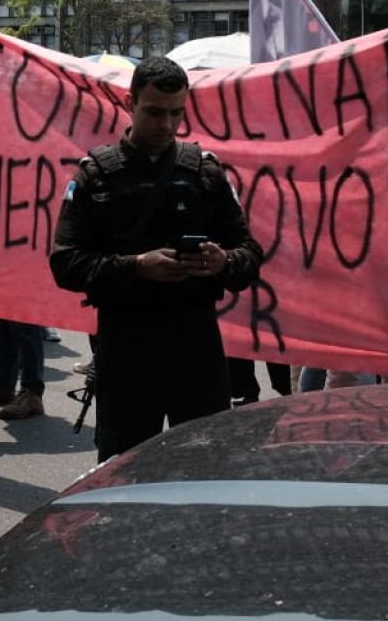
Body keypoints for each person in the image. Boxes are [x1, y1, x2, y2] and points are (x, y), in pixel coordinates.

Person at [50, 56, 264, 461]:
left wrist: (222, 262)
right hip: (126, 348)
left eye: (176, 113)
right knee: (124, 475)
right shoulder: (95, 177)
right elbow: (66, 264)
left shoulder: (205, 173)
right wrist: (136, 266)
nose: (166, 125)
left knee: (205, 468)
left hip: (196, 346)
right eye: (154, 112)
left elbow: (249, 253)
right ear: (130, 104)